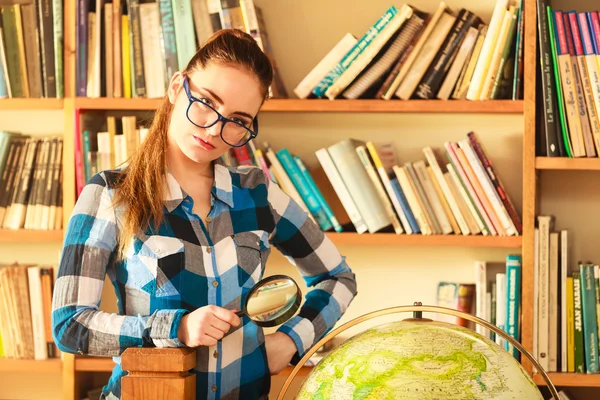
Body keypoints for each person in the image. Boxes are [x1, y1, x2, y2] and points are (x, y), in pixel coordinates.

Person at [52, 29, 357, 400]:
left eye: (238, 120)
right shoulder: (111, 195)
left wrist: (291, 341)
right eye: (208, 103)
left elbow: (337, 277)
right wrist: (175, 329)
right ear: (178, 87)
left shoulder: (258, 195)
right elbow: (70, 326)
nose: (215, 129)